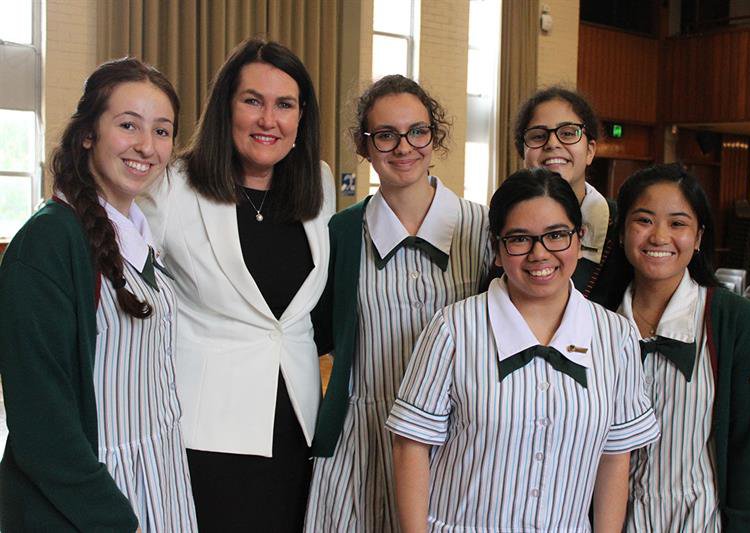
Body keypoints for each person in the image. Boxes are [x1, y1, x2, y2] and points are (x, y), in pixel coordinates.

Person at [387, 168, 660, 532]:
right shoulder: (453, 329)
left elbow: (614, 457)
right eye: (519, 239)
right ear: (497, 250)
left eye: (556, 235)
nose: (539, 253)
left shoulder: (616, 337)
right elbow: (411, 447)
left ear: (579, 240)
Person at [138, 39, 335, 531]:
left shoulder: (321, 184)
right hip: (206, 431)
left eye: (284, 105)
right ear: (226, 107)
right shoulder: (171, 187)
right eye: (253, 101)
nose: (268, 119)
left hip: (295, 425)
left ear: (301, 117)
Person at [0, 58, 196, 531]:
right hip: (96, 501)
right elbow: (39, 421)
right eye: (128, 125)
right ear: (88, 133)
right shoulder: (48, 243)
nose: (146, 147)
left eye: (163, 131)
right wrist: (113, 518)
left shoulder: (140, 238)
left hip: (159, 479)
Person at [514, 86, 750, 409]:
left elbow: (693, 302)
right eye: (538, 135)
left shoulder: (629, 227)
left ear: (590, 149)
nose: (552, 143)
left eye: (568, 133)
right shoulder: (501, 226)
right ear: (523, 149)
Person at [304, 75, 493, 532]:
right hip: (362, 440)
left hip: (456, 441)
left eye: (417, 132)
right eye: (385, 135)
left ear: (434, 137)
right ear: (365, 146)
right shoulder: (342, 233)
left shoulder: (483, 229)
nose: (403, 147)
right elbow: (317, 333)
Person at [613, 163, 750, 532]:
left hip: (700, 520)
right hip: (609, 520)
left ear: (699, 236)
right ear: (622, 232)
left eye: (678, 223)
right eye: (644, 220)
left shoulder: (734, 321)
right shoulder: (595, 321)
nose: (659, 237)